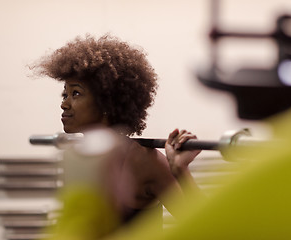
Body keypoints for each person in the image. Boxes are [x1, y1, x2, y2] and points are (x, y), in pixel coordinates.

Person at [31, 34, 201, 230]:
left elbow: (204, 226)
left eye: (76, 93)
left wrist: (181, 170)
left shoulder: (144, 160)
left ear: (106, 102)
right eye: (65, 94)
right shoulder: (81, 157)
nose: (64, 104)